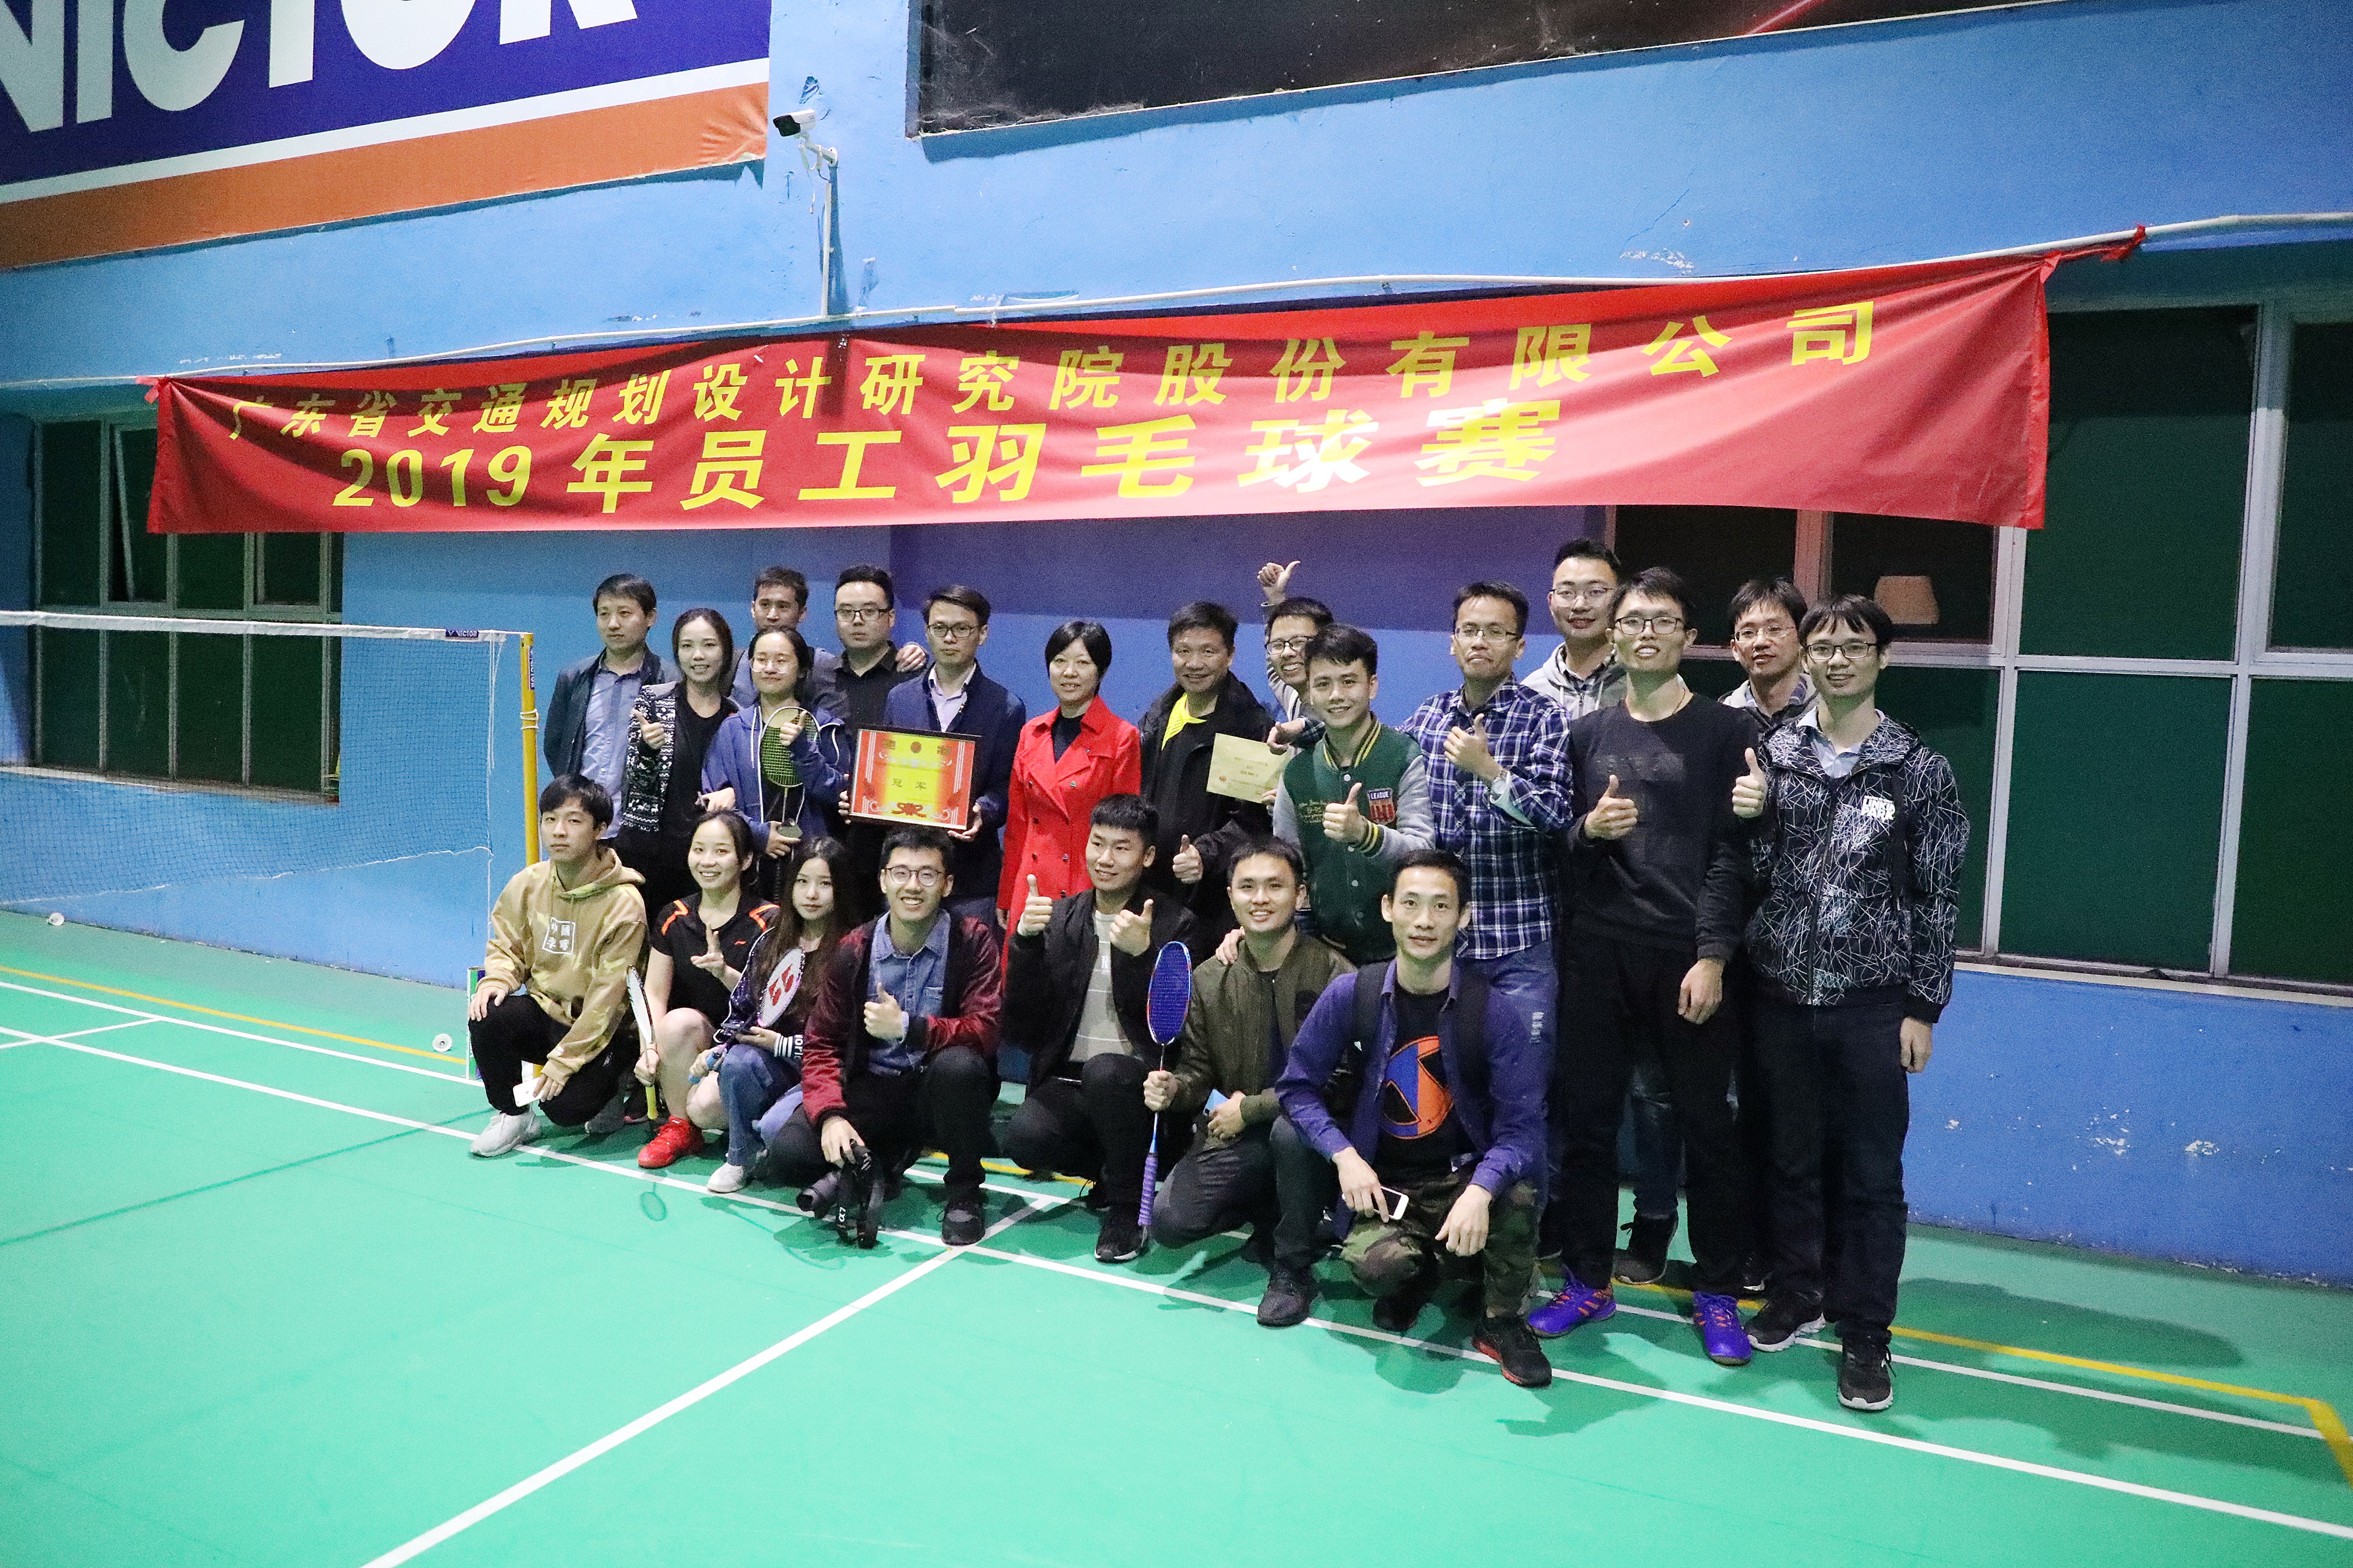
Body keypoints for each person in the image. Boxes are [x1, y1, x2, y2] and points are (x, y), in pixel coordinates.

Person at [1736, 594, 1968, 1413]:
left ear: (1881, 658)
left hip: (1872, 1005)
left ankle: (1867, 1330)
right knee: (1788, 1160)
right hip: (1778, 996)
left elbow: (1938, 896)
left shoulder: (1918, 768)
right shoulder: (1773, 753)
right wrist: (1748, 819)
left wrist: (1923, 1006)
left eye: (1854, 646)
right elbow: (1751, 871)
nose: (1837, 660)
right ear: (1807, 658)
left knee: (1871, 1177)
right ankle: (1797, 1292)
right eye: (1824, 647)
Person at [1532, 566, 1759, 1367]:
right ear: (1615, 635)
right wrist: (1588, 830)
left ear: (1687, 636)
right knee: (1589, 1124)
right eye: (1632, 620)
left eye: (1662, 620)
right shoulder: (1588, 734)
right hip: (1598, 950)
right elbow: (1562, 844)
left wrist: (1712, 954)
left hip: (1686, 957)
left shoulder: (1725, 731)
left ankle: (1718, 1289)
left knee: (1708, 1129)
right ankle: (1587, 1280)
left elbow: (1735, 856)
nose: (1645, 632)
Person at [1274, 852, 1552, 1387]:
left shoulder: (1493, 1011)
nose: (1424, 920)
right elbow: (1297, 1089)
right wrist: (1345, 1156)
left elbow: (1524, 1129)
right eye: (1411, 904)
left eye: (1441, 906)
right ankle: (1421, 1276)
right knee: (1376, 1267)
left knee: (1516, 1195)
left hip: (1462, 1176)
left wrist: (1481, 1190)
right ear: (1388, 909)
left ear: (1464, 917)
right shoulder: (1351, 994)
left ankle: (1502, 1321)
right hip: (1388, 1184)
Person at [1144, 838, 1354, 1325]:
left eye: (1275, 886)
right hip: (1240, 1134)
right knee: (1171, 1223)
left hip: (1315, 1135)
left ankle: (1293, 1268)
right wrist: (1175, 1089)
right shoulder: (1209, 978)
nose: (1260, 898)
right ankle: (1272, 1213)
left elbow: (1341, 1079)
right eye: (1248, 887)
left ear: (1300, 895)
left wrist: (1252, 1108)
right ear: (1231, 897)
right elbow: (1198, 1073)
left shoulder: (1335, 975)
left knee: (1291, 1132)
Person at [768, 826, 1004, 1246]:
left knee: (962, 1067)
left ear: (948, 884)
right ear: (882, 881)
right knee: (789, 1154)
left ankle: (965, 1191)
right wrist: (831, 1115)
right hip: (873, 1090)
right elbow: (822, 1044)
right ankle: (881, 1163)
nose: (912, 886)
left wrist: (910, 1029)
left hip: (938, 1093)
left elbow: (985, 1031)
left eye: (927, 875)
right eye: (901, 873)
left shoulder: (973, 940)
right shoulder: (853, 948)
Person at [1003, 795, 1197, 1262]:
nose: (1105, 859)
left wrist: (1144, 956)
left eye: (1122, 848)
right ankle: (1113, 1171)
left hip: (1139, 1089)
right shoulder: (1061, 918)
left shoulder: (1177, 924)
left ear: (1148, 857)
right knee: (1023, 1138)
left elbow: (1181, 1026)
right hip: (1070, 1082)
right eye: (1097, 843)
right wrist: (1025, 944)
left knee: (1108, 1072)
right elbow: (1021, 1029)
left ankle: (1127, 1209)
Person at [1398, 581, 1574, 1045]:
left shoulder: (1544, 716)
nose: (1480, 642)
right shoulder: (1430, 715)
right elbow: (1374, 750)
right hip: (1442, 941)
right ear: (1453, 642)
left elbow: (1556, 814)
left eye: (1495, 632)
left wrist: (1490, 772)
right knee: (1444, 1072)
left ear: (1520, 646)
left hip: (1520, 938)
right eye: (1469, 630)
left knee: (1523, 1072)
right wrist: (1307, 733)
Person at [466, 776, 648, 1156]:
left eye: (573, 821)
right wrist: (497, 979)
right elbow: (507, 945)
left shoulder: (624, 905)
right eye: (550, 820)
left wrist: (563, 1064)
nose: (558, 832)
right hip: (546, 1011)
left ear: (600, 829)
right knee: (488, 1013)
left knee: (565, 1110)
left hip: (605, 1030)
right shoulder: (528, 883)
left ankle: (616, 1085)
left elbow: (607, 1002)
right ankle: (514, 1115)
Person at [1269, 625, 1434, 965]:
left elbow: (1423, 851)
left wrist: (1365, 834)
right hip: (1326, 952)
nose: (1336, 695)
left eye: (1348, 681)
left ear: (1372, 686)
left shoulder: (1403, 756)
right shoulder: (1297, 773)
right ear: (1309, 692)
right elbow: (1287, 867)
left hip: (1402, 953)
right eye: (1323, 684)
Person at [702, 837, 850, 1194]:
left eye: (825, 884)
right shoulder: (771, 941)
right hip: (777, 1065)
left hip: (827, 1074)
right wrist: (720, 1049)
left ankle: (774, 1142)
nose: (811, 894)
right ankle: (740, 1158)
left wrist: (784, 1045)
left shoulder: (853, 949)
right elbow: (745, 1007)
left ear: (842, 890)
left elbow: (848, 1042)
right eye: (802, 882)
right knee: (737, 1064)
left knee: (775, 1130)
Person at [636, 809, 780, 1170]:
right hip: (703, 1038)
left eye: (721, 851)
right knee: (676, 1023)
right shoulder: (673, 916)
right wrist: (649, 1048)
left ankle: (762, 1126)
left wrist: (726, 974)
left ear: (745, 860)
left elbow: (772, 1006)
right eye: (699, 850)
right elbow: (655, 993)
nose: (707, 861)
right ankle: (679, 1128)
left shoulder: (770, 921)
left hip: (750, 1044)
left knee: (706, 1108)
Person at [879, 586, 1028, 925]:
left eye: (961, 629)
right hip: (908, 871)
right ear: (927, 632)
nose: (949, 638)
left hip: (971, 874)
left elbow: (1007, 788)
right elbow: (887, 772)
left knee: (972, 958)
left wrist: (983, 812)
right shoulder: (900, 699)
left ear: (982, 634)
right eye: (940, 628)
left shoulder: (1006, 707)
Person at [1138, 602, 1274, 942]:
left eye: (1208, 652)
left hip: (1212, 905)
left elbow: (1253, 823)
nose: (1194, 663)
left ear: (1230, 655)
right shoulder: (1158, 715)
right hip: (1153, 894)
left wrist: (1205, 854)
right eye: (1184, 651)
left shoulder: (1248, 725)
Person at [999, 620, 1143, 919]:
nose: (1069, 672)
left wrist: (1119, 900)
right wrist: (1007, 893)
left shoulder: (1121, 737)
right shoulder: (1031, 732)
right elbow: (1017, 826)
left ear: (1101, 671)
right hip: (1031, 886)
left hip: (1085, 886)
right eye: (1060, 661)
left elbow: (1125, 831)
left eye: (1083, 663)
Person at [701, 626, 849, 905]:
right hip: (748, 869)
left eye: (781, 661)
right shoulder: (733, 729)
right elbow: (713, 800)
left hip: (812, 869)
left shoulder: (827, 726)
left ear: (802, 669)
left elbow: (839, 795)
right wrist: (757, 834)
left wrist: (804, 751)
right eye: (761, 660)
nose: (770, 668)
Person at [614, 608, 738, 916]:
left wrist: (734, 792)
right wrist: (647, 749)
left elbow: (746, 786)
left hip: (709, 860)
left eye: (709, 645)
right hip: (649, 854)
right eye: (687, 646)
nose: (698, 656)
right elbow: (634, 781)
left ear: (725, 651)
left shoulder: (738, 715)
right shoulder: (653, 701)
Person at [544, 573, 672, 841]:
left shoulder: (670, 681)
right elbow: (556, 746)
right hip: (580, 827)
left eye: (624, 613)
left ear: (651, 617)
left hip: (641, 829)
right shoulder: (574, 678)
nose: (613, 624)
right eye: (604, 614)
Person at [1523, 540, 1627, 718]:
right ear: (1551, 602)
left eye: (1595, 592)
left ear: (1620, 599)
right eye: (1567, 593)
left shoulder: (1644, 684)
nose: (1579, 605)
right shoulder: (1530, 695)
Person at [1723, 578, 1816, 730]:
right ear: (1735, 649)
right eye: (1748, 633)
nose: (1760, 642)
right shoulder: (1720, 719)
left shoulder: (1830, 711)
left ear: (1802, 638)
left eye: (1774, 629)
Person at [726, 566, 809, 709]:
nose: (772, 616)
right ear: (753, 609)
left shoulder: (820, 665)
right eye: (765, 605)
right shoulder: (729, 665)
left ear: (801, 613)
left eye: (783, 606)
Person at [1262, 593, 1334, 739]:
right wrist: (1275, 599)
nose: (1286, 653)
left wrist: (1300, 727)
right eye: (1278, 645)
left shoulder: (1339, 699)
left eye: (1299, 642)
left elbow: (1325, 723)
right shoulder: (1294, 698)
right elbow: (1274, 669)